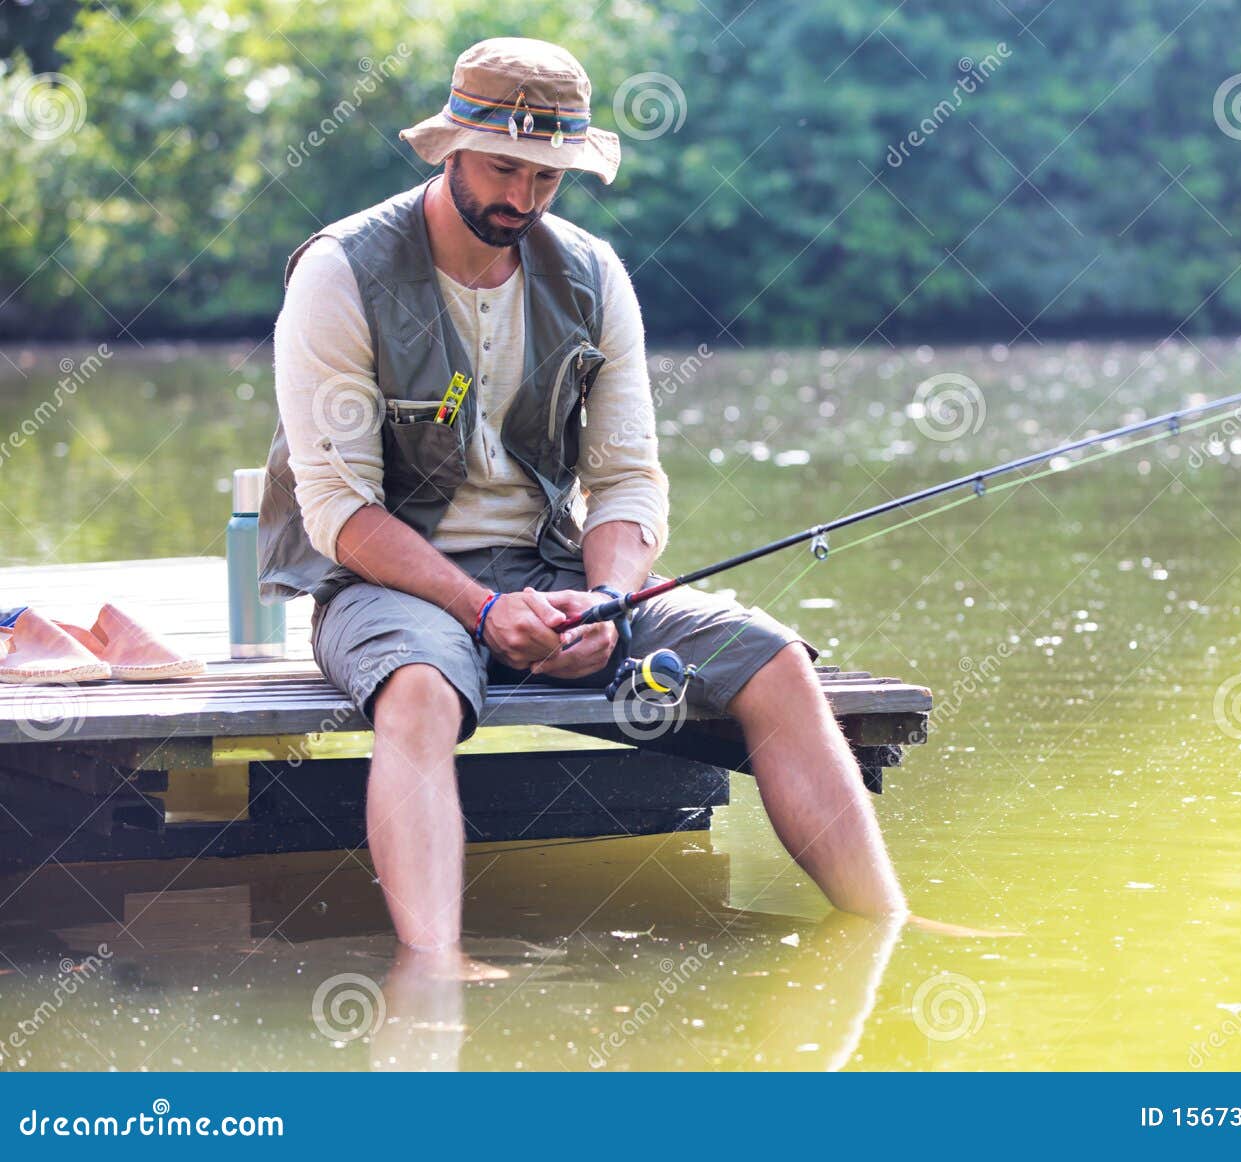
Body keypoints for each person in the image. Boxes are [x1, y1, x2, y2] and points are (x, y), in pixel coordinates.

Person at [257, 38, 907, 975]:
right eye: (504, 169)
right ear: (450, 149)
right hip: (386, 581)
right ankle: (431, 969)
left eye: (548, 178)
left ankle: (885, 931)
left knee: (774, 665)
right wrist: (480, 611)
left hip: (558, 573)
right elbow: (338, 511)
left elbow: (629, 478)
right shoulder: (340, 272)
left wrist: (608, 600)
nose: (522, 199)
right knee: (419, 695)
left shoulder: (595, 274)